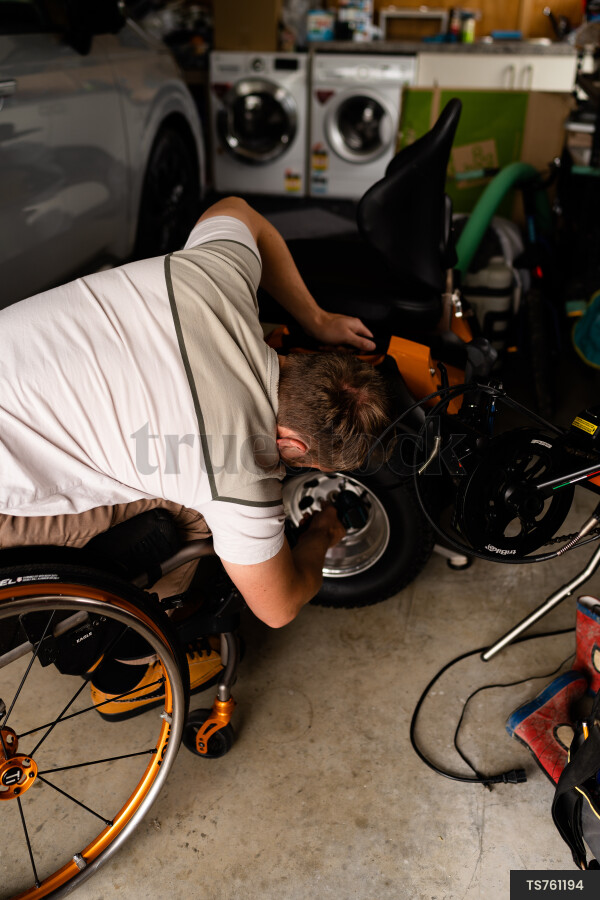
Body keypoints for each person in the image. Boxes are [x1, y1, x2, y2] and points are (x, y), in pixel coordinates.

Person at [0, 196, 389, 716]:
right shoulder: (236, 473)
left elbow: (239, 210)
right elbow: (278, 607)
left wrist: (315, 317)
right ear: (295, 447)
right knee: (192, 519)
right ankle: (123, 668)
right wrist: (321, 534)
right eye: (310, 466)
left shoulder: (217, 278)